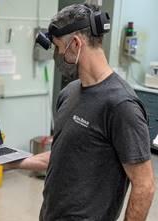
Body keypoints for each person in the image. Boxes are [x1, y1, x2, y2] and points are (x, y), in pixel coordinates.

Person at [38, 4, 155, 221]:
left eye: (58, 47)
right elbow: (65, 154)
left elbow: (144, 185)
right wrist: (13, 161)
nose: (57, 55)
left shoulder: (121, 105)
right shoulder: (69, 92)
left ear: (75, 44)